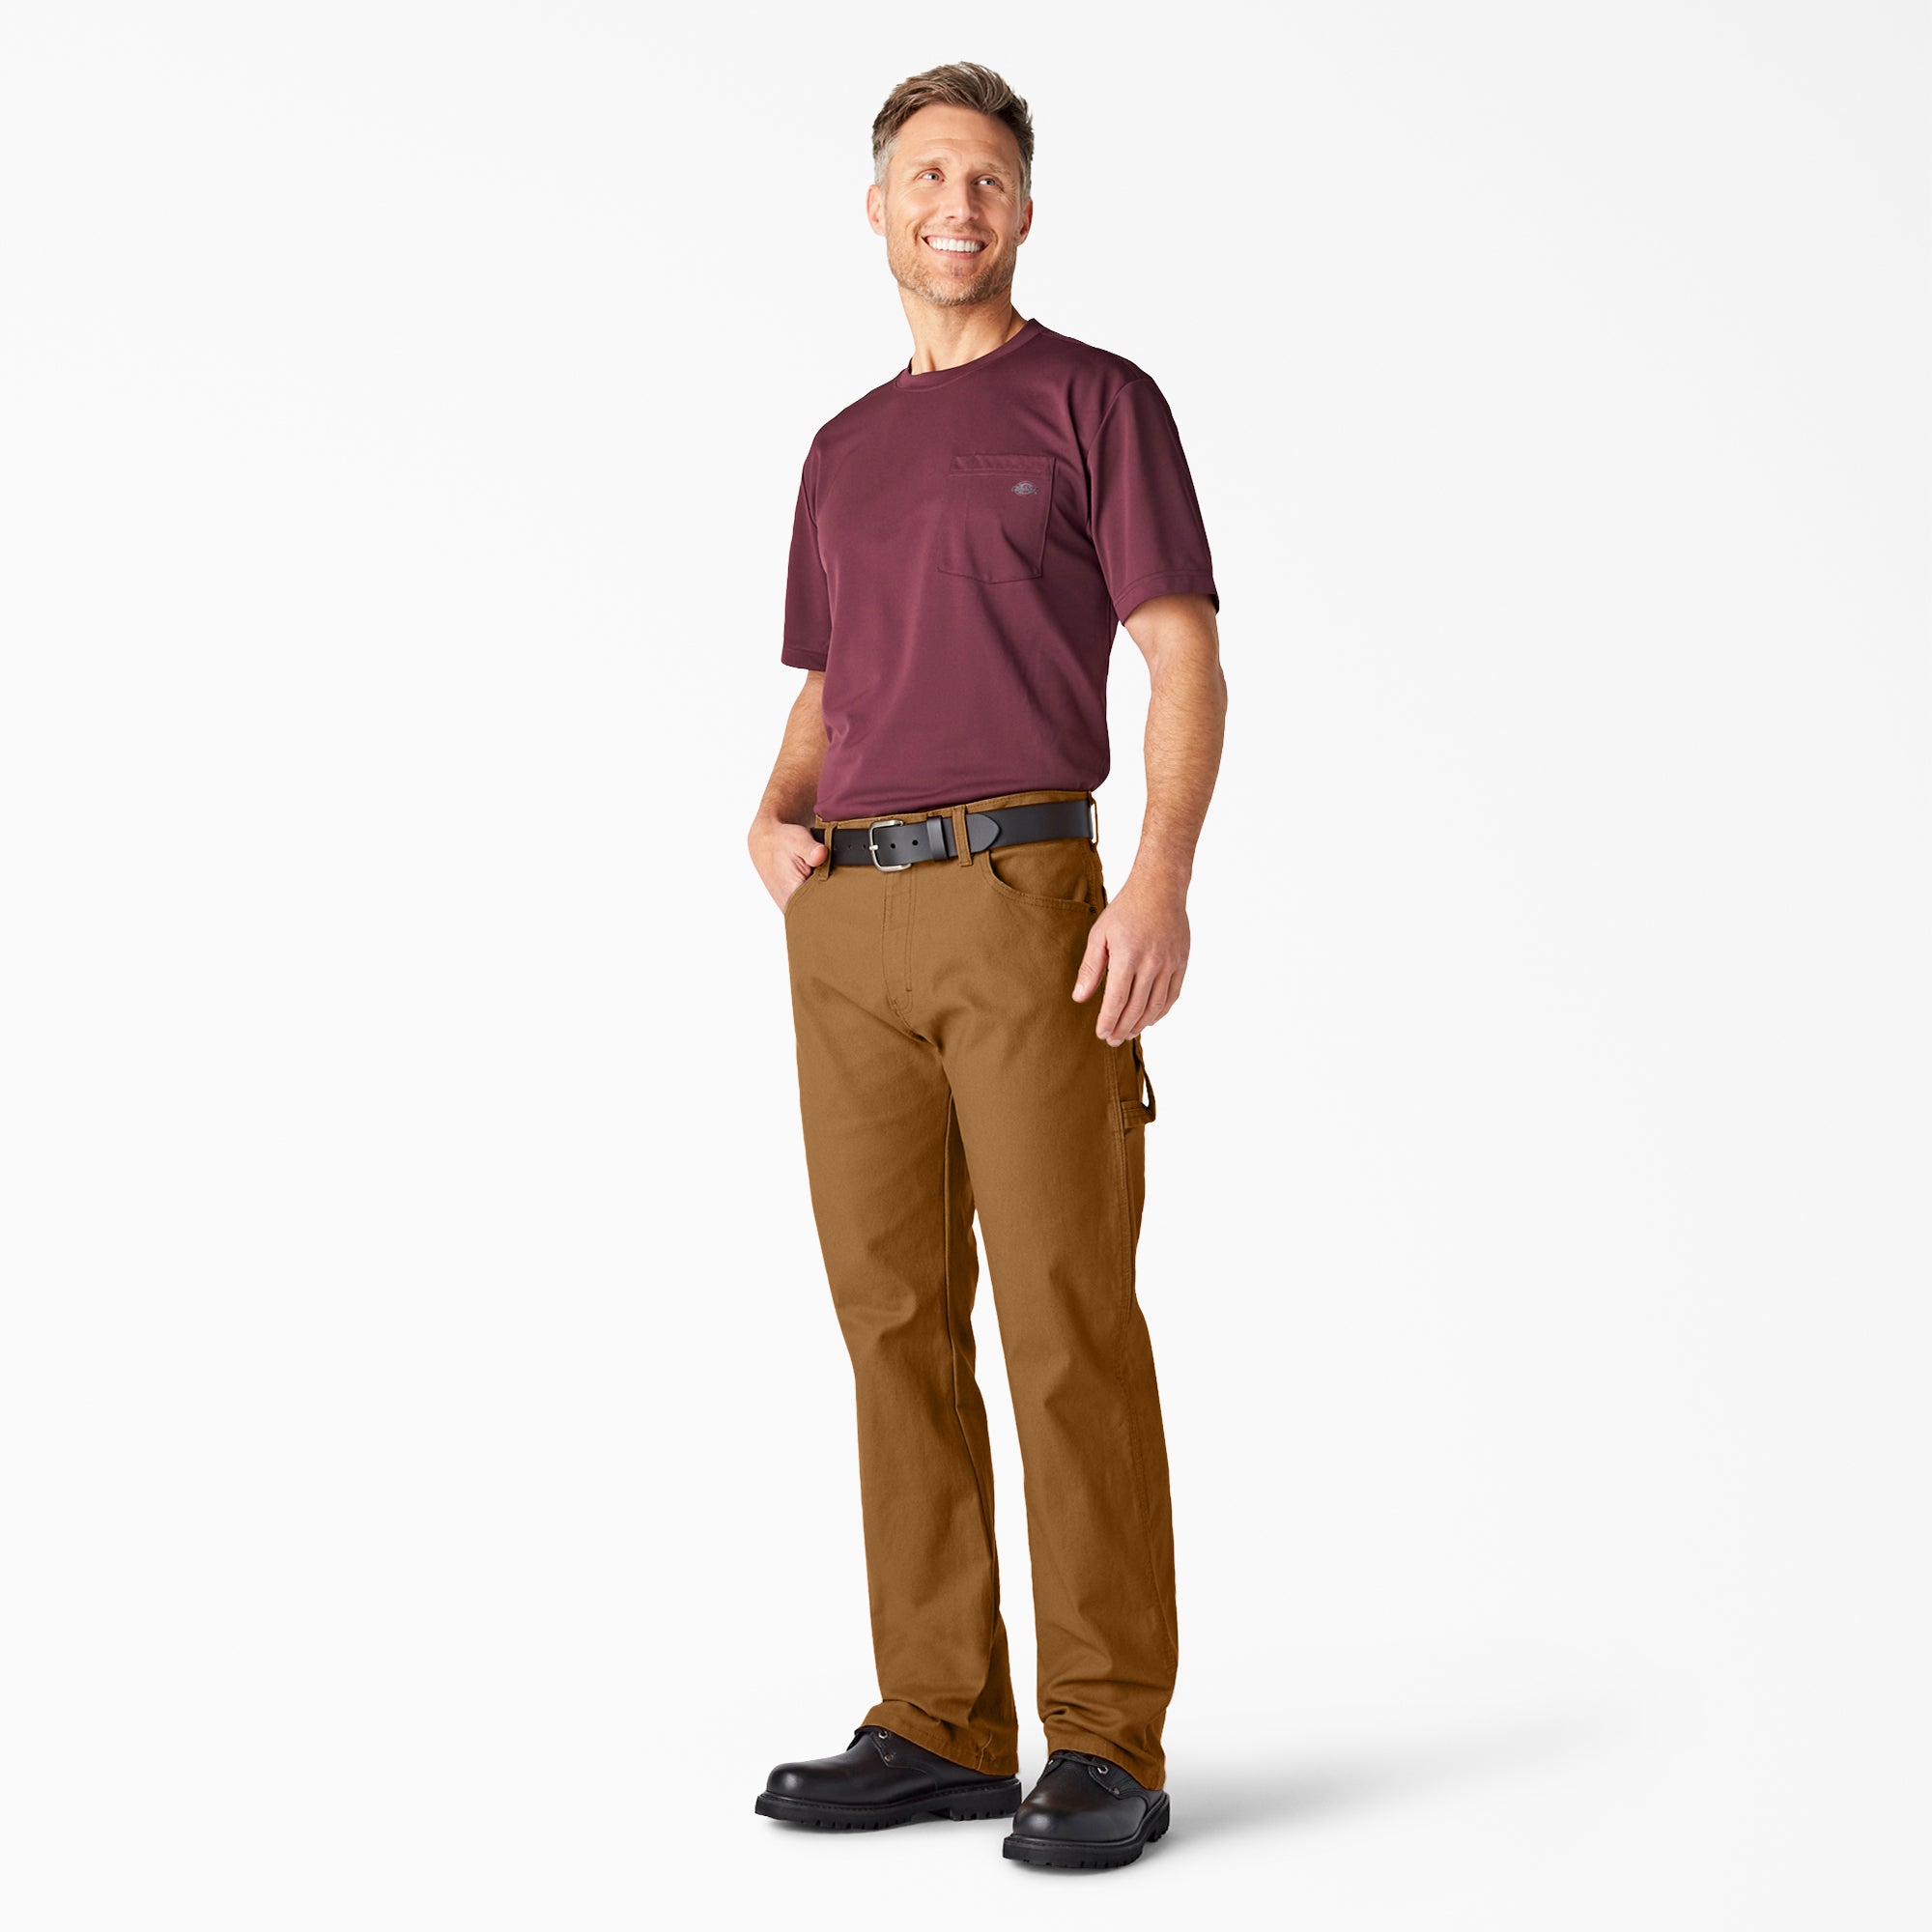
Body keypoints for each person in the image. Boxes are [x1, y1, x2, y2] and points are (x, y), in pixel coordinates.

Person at [745, 60, 1226, 1872]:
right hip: (848, 922)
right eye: (929, 176)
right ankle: (941, 1715)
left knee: (1061, 1315)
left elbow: (1183, 659)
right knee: (889, 1319)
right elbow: (835, 674)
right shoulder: (842, 450)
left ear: (1025, 211)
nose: (960, 204)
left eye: (991, 178)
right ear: (877, 208)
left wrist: (1156, 879)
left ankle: (1103, 1735)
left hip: (1028, 896)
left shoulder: (1097, 401)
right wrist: (772, 812)